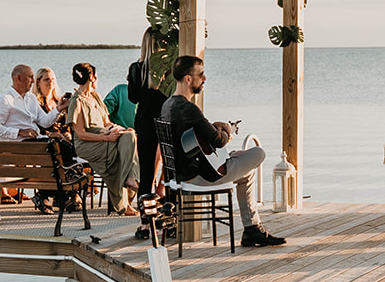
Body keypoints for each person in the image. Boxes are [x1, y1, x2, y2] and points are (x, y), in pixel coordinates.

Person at [161, 56, 285, 247]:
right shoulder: (189, 108)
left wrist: (212, 125)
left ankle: (252, 230)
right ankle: (252, 229)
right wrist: (226, 129)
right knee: (258, 153)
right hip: (200, 178)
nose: (205, 79)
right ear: (188, 79)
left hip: (181, 175)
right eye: (201, 75)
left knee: (247, 174)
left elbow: (192, 136)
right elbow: (219, 141)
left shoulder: (168, 105)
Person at [70, 63, 139, 215]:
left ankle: (130, 180)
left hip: (105, 135)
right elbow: (80, 134)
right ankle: (124, 201)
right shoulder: (77, 102)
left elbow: (107, 122)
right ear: (92, 78)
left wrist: (120, 129)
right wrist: (105, 138)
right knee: (122, 153)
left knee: (130, 136)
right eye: (96, 76)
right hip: (88, 143)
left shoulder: (96, 96)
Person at [127, 59, 170, 240]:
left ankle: (145, 224)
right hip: (167, 120)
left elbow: (133, 97)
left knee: (146, 174)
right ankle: (170, 220)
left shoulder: (137, 68)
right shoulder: (169, 66)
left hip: (145, 122)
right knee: (170, 171)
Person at [0, 65, 63, 140]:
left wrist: (58, 109)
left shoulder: (31, 97)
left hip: (35, 140)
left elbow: (45, 122)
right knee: (60, 148)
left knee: (66, 145)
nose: (33, 81)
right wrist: (19, 132)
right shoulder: (5, 100)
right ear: (19, 78)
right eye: (30, 77)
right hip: (19, 145)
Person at [34, 68, 69, 135]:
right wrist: (50, 134)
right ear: (38, 82)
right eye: (46, 79)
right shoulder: (35, 102)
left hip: (64, 139)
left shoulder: (59, 101)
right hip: (46, 140)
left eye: (52, 79)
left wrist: (67, 133)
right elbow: (35, 125)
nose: (50, 81)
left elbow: (67, 123)